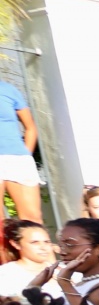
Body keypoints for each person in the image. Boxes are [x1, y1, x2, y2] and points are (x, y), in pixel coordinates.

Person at [0, 78, 40, 222]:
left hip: (16, 158)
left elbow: (30, 128)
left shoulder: (8, 90)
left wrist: (26, 156)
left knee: (32, 219)